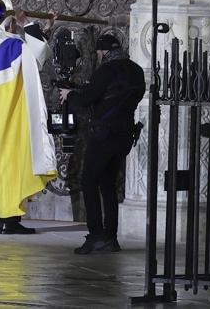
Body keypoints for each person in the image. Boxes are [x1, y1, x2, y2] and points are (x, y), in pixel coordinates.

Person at [59, 32, 145, 254]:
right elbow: (118, 95)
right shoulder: (135, 69)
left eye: (98, 52)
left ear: (102, 51)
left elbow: (86, 101)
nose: (98, 56)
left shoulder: (106, 69)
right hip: (125, 135)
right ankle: (110, 236)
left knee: (89, 182)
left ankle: (96, 235)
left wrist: (69, 95)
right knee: (108, 184)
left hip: (104, 135)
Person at [0, 0, 57, 235]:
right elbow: (37, 55)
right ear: (10, 22)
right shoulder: (11, 45)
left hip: (2, 115)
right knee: (14, 162)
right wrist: (29, 24)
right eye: (14, 23)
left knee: (6, 161)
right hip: (14, 115)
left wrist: (42, 28)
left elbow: (31, 50)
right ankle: (9, 219)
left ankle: (9, 218)